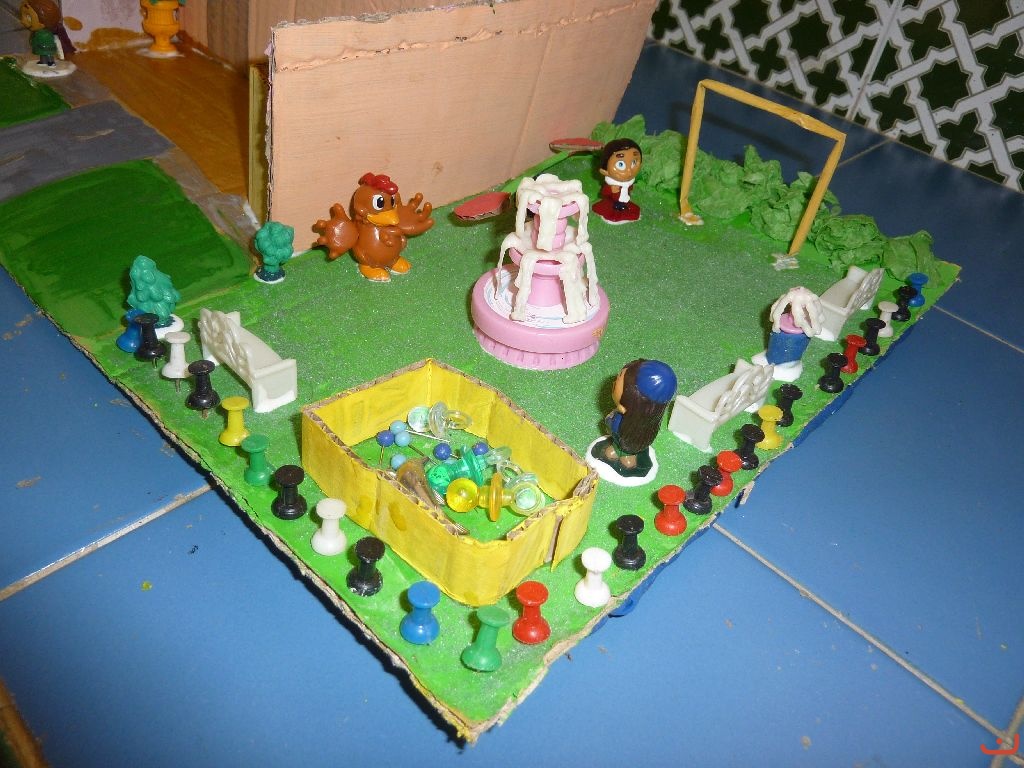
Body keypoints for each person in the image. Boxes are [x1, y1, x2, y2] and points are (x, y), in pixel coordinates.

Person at [592, 358, 676, 479]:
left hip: (629, 443)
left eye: (618, 379)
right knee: (617, 445)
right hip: (619, 439)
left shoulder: (641, 428)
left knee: (627, 446)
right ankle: (618, 451)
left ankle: (628, 455)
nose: (614, 383)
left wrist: (610, 420)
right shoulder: (634, 420)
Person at [593, 138, 642, 224]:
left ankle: (623, 207)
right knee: (614, 206)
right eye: (621, 164)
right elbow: (604, 193)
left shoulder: (629, 182)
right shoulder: (611, 184)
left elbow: (629, 189)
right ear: (605, 170)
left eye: (633, 163)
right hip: (612, 201)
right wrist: (611, 190)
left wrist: (628, 188)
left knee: (626, 206)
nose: (629, 171)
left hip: (625, 199)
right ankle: (617, 209)